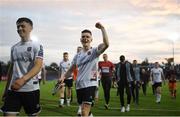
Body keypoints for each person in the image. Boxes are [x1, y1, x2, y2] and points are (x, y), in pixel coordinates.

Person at [59, 22, 109, 116]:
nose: (85, 38)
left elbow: (106, 44)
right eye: (83, 37)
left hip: (90, 84)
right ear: (80, 39)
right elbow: (71, 70)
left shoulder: (95, 51)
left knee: (83, 111)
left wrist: (102, 28)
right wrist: (63, 77)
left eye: (87, 37)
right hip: (79, 85)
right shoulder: (77, 56)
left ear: (91, 39)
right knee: (85, 111)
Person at [1, 17, 43, 116]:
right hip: (13, 89)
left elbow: (38, 66)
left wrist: (22, 80)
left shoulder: (37, 45)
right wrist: (6, 89)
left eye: (22, 26)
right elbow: (12, 69)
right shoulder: (14, 47)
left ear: (30, 28)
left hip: (31, 90)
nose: (19, 28)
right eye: (18, 26)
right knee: (7, 114)